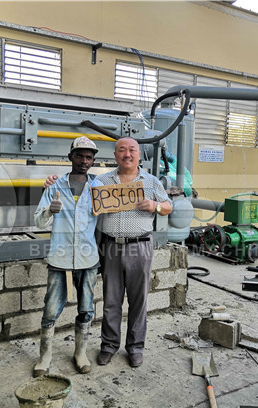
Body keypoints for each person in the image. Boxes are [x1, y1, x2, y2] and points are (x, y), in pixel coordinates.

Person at [46, 137, 172, 368]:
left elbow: (168, 206)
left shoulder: (152, 182)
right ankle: (109, 346)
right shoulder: (101, 181)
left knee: (138, 300)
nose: (127, 154)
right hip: (110, 246)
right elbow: (75, 189)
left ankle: (135, 348)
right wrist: (52, 182)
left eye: (132, 150)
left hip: (140, 246)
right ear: (115, 155)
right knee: (111, 300)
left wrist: (156, 206)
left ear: (139, 154)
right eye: (122, 150)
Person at [33, 136, 102, 377]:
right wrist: (48, 211)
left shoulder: (98, 188)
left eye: (89, 157)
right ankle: (45, 355)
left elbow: (107, 219)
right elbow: (37, 219)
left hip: (88, 257)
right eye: (80, 155)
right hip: (59, 256)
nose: (84, 160)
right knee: (51, 309)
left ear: (93, 161)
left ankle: (80, 353)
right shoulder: (54, 186)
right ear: (70, 157)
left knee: (86, 309)